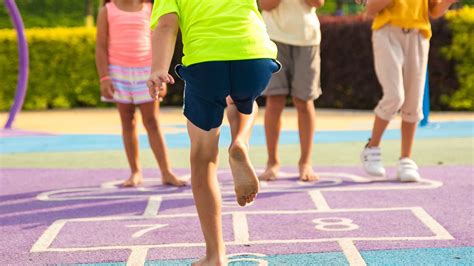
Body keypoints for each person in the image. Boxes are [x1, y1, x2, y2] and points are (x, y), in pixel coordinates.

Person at [147, 0, 279, 264]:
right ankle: (240, 141)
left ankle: (215, 254)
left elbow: (166, 25)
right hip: (254, 55)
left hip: (206, 63)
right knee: (244, 100)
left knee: (203, 157)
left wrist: (158, 69)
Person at [357, 0, 458, 182]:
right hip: (387, 32)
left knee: (413, 100)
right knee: (395, 96)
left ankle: (406, 159)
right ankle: (372, 148)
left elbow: (433, 11)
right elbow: (370, 9)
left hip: (418, 34)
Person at [95, 0, 185, 187]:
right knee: (127, 122)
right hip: (119, 73)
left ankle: (166, 171)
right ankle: (135, 172)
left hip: (146, 72)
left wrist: (159, 74)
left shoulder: (149, 8)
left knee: (152, 121)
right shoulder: (107, 11)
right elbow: (101, 46)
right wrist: (104, 78)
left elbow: (160, 40)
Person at [258, 0, 324, 182]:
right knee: (274, 99)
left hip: (307, 38)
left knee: (304, 100)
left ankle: (305, 162)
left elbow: (318, 2)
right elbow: (265, 5)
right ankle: (272, 162)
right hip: (274, 38)